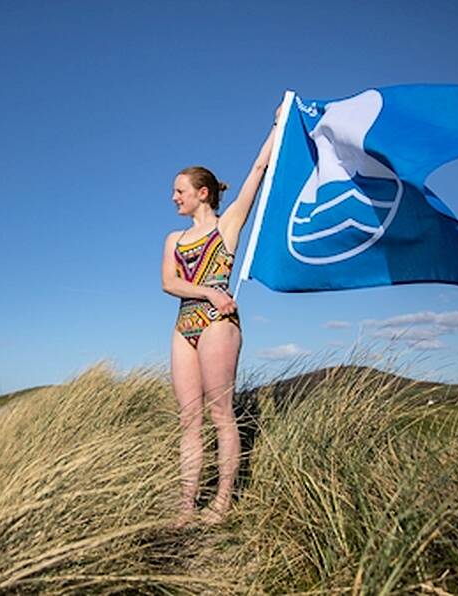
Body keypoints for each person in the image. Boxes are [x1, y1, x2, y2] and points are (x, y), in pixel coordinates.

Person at [161, 111, 279, 526]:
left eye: (180, 190)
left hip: (217, 325)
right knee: (188, 419)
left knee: (220, 414)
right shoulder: (173, 239)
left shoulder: (227, 226)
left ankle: (222, 502)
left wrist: (278, 125)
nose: (174, 197)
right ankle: (185, 506)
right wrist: (209, 289)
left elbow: (258, 170)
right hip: (185, 324)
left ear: (203, 193)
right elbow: (169, 283)